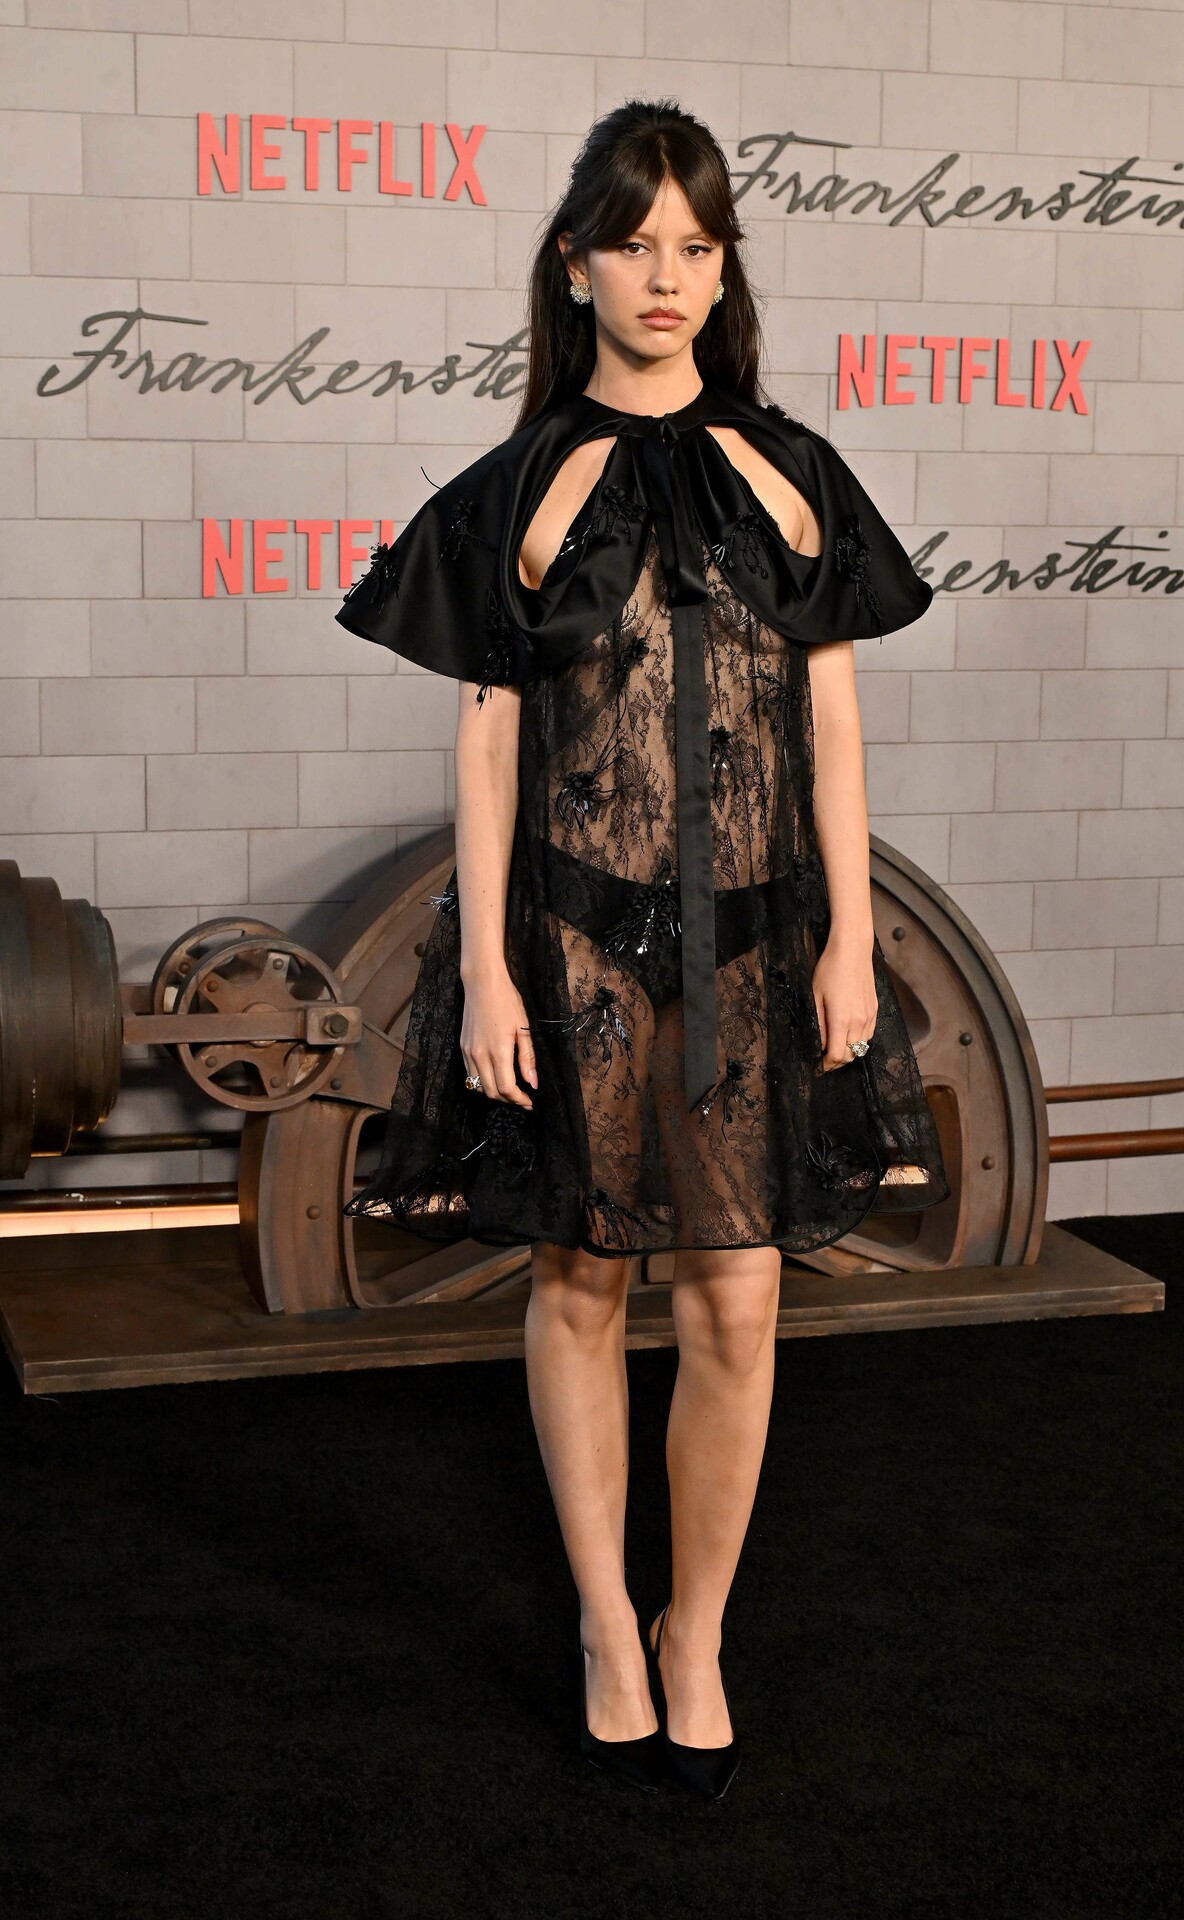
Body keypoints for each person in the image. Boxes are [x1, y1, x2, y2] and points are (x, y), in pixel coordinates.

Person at [337, 99, 950, 1800]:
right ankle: (608, 1624)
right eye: (632, 244)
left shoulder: (794, 473)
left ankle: (699, 1631)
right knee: (581, 1277)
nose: (665, 276)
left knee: (740, 1298)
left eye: (695, 245)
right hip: (572, 945)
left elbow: (835, 733)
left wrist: (852, 944)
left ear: (723, 268)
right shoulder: (515, 489)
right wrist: (483, 973)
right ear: (575, 265)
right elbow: (482, 749)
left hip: (761, 944)